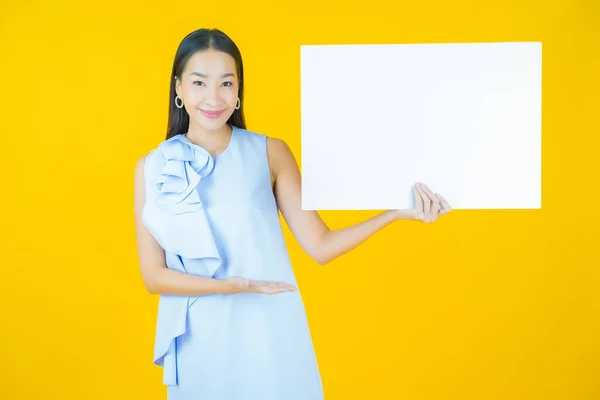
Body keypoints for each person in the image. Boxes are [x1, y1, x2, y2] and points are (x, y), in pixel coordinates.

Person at [133, 28, 452, 400]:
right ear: (179, 88)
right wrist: (235, 286)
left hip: (269, 329)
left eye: (226, 83)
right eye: (199, 82)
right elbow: (154, 276)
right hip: (199, 339)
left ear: (238, 93)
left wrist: (396, 212)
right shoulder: (152, 167)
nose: (213, 98)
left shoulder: (269, 152)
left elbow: (321, 246)